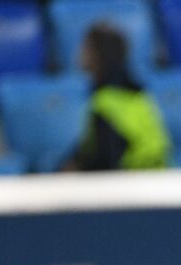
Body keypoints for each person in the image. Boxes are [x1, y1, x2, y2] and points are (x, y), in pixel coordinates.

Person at [68, 24, 170, 171]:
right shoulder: (141, 97)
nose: (79, 53)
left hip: (134, 188)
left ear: (97, 55)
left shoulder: (105, 104)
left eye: (85, 47)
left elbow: (106, 164)